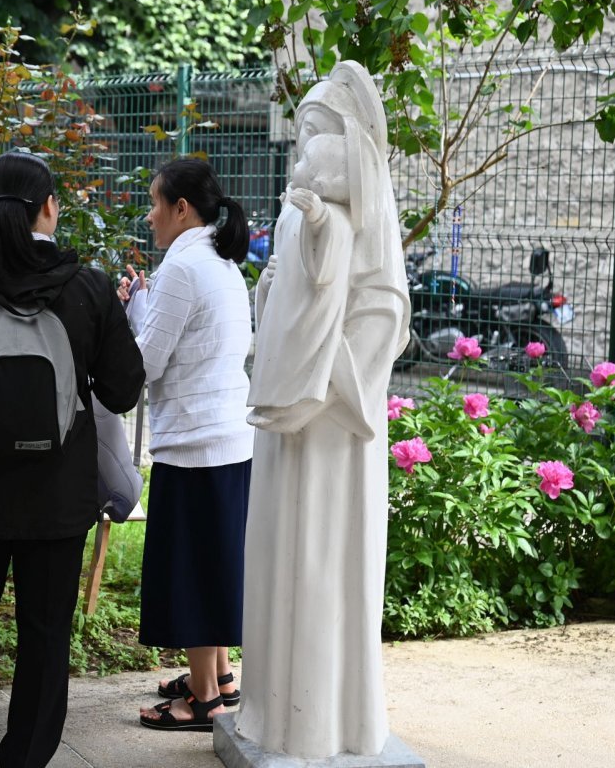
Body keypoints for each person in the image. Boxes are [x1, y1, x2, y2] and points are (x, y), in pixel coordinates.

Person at [0, 151, 144, 768]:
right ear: (48, 209)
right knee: (44, 633)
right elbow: (123, 389)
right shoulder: (88, 287)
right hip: (58, 500)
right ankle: (25, 759)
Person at [236, 60, 410, 759]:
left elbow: (385, 311)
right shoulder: (295, 209)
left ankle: (325, 723)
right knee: (281, 556)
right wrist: (273, 300)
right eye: (301, 134)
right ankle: (272, 710)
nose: (306, 151)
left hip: (338, 421)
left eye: (317, 132)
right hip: (288, 420)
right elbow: (285, 299)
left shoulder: (370, 218)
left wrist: (329, 368)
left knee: (326, 565)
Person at [126, 159, 254, 732]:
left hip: (195, 445)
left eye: (155, 203)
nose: (149, 216)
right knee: (214, 563)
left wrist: (130, 313)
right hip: (227, 438)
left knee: (196, 572)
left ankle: (202, 701)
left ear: (182, 208)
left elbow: (146, 363)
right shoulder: (220, 261)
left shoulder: (183, 267)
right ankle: (221, 678)